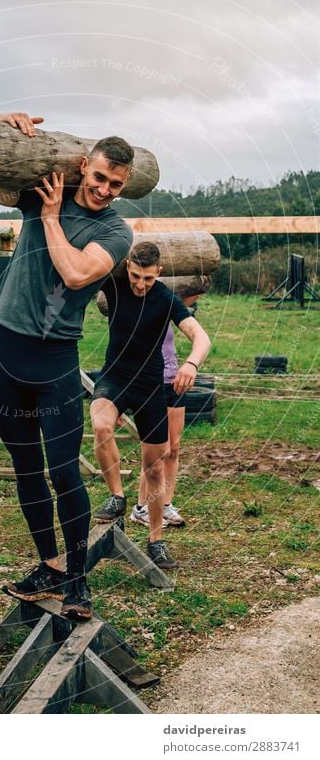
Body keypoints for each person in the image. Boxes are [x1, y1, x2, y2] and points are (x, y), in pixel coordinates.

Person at [0, 112, 134, 620]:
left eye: (117, 185)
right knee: (25, 469)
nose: (106, 190)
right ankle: (49, 565)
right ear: (84, 166)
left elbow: (76, 270)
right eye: (101, 178)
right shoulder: (49, 188)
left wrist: (47, 219)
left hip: (54, 360)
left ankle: (78, 582)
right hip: (5, 350)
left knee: (65, 471)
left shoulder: (115, 230)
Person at [91, 241, 211, 569]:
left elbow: (202, 338)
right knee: (101, 424)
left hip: (150, 385)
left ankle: (156, 540)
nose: (140, 284)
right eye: (134, 276)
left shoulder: (165, 299)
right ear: (127, 267)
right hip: (115, 377)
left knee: (155, 468)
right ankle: (117, 496)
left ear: (158, 272)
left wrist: (191, 365)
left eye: (146, 278)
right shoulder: (114, 285)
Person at [136, 283, 209, 530]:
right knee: (156, 450)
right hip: (150, 382)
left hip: (174, 380)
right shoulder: (142, 305)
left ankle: (165, 504)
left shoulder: (171, 305)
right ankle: (142, 507)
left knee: (174, 449)